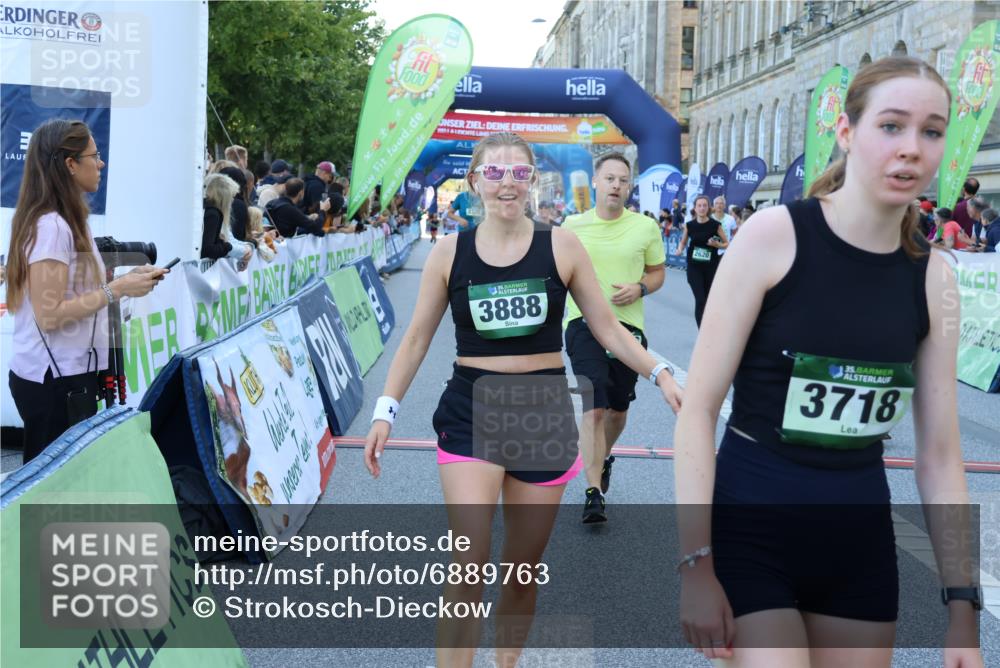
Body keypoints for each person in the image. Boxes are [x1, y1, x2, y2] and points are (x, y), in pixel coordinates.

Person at [674, 57, 983, 667]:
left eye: (931, 131)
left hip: (857, 543)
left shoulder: (934, 278)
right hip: (753, 531)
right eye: (891, 126)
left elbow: (941, 455)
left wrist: (961, 612)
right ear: (847, 132)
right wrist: (695, 565)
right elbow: (698, 409)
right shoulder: (772, 236)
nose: (911, 149)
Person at [363, 132, 681, 668]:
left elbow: (608, 329)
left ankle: (505, 663)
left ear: (532, 180)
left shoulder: (561, 246)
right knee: (468, 565)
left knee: (521, 571)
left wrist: (661, 372)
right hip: (471, 409)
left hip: (541, 413)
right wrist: (385, 410)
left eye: (517, 173)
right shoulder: (449, 252)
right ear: (475, 182)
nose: (506, 183)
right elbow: (416, 338)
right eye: (494, 173)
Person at [5, 119, 167, 463]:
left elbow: (69, 295)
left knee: (61, 492)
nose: (101, 163)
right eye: (95, 155)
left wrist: (127, 280)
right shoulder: (51, 226)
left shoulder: (61, 220)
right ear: (70, 164)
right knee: (48, 496)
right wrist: (116, 289)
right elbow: (50, 315)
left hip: (65, 376)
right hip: (54, 382)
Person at [562, 152, 678, 523]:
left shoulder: (644, 228)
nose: (616, 185)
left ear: (629, 187)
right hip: (582, 325)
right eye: (609, 178)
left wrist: (640, 288)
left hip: (628, 329)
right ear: (595, 182)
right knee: (593, 406)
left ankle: (603, 455)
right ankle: (593, 492)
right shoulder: (572, 226)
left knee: (617, 410)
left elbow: (658, 273)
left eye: (622, 180)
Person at [674, 194, 729, 327]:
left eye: (704, 205)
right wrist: (679, 249)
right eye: (699, 205)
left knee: (708, 300)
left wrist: (717, 245)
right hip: (694, 267)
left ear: (708, 208)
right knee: (700, 299)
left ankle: (711, 326)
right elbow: (683, 242)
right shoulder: (690, 225)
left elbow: (727, 243)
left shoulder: (715, 225)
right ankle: (702, 330)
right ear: (695, 208)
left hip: (711, 267)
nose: (702, 208)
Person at [202, 174, 253, 264]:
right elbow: (208, 249)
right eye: (231, 196)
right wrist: (226, 246)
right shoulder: (213, 214)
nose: (232, 200)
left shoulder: (210, 211)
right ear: (224, 196)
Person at [265, 177, 329, 238]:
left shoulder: (271, 203)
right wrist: (322, 210)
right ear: (301, 192)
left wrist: (307, 217)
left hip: (270, 242)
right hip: (283, 246)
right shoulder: (289, 209)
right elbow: (316, 229)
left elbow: (288, 218)